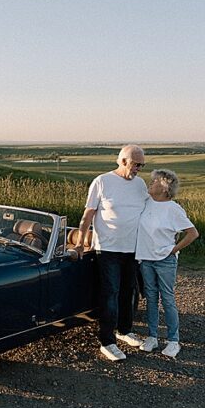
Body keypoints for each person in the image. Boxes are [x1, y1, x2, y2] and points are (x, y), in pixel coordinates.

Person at [80, 144, 149, 361]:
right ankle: (107, 342)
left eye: (142, 165)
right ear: (122, 161)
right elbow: (88, 214)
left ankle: (124, 331)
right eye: (136, 164)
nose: (138, 168)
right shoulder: (102, 181)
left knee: (129, 291)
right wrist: (81, 242)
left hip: (133, 249)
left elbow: (148, 213)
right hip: (108, 248)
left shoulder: (140, 184)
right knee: (110, 293)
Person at [135, 169, 199, 358]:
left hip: (165, 261)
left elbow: (193, 233)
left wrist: (173, 250)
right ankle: (152, 337)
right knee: (151, 299)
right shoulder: (146, 203)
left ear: (165, 187)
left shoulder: (173, 209)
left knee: (168, 299)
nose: (150, 183)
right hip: (146, 260)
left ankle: (173, 341)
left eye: (154, 181)